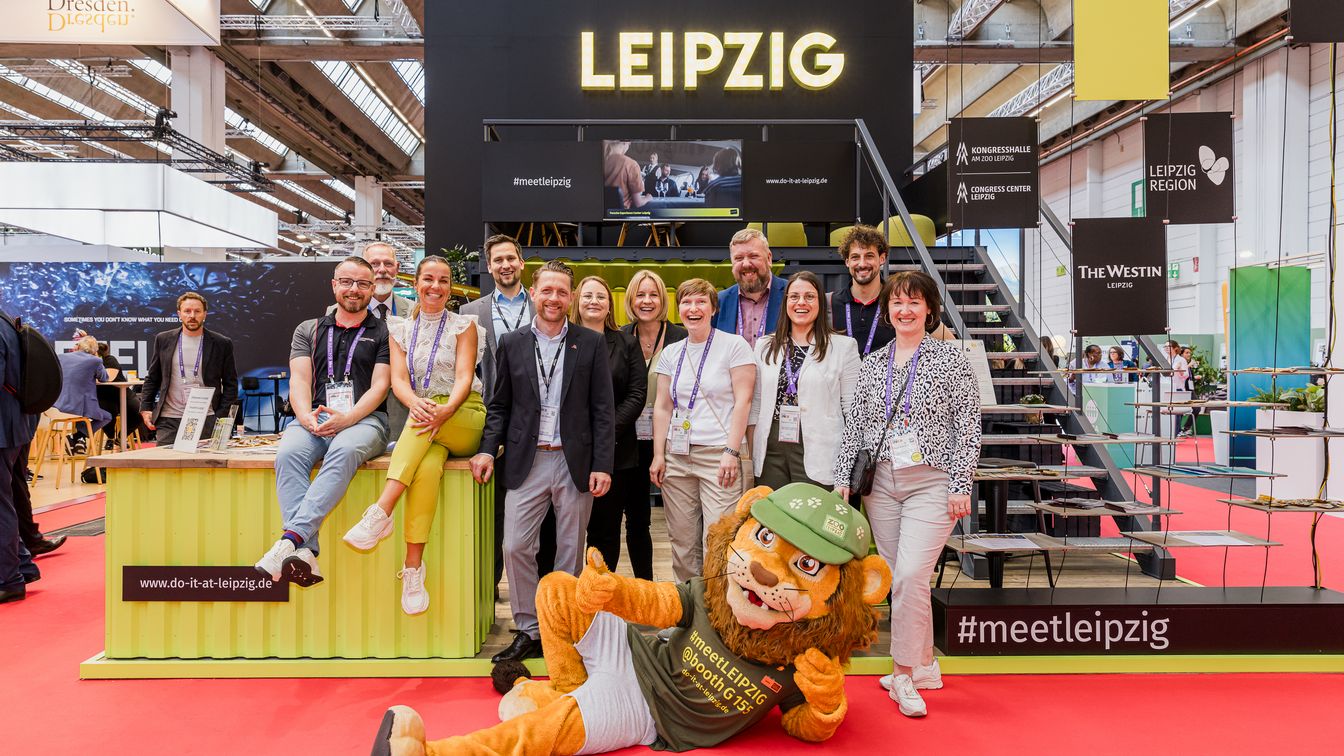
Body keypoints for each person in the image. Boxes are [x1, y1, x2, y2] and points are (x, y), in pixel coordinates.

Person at [833, 271, 981, 718]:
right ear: (888, 310)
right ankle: (926, 666)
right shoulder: (873, 363)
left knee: (913, 575)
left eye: (914, 302)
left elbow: (968, 426)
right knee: (905, 579)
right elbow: (855, 428)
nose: (905, 310)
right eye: (897, 303)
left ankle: (900, 675)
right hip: (882, 485)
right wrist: (844, 480)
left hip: (932, 483)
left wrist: (960, 484)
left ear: (929, 309)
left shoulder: (952, 360)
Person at [470, 260, 615, 663]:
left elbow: (602, 409)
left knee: (569, 550)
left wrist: (602, 463)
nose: (554, 298)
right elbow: (499, 406)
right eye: (547, 290)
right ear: (533, 293)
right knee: (515, 545)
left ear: (571, 298)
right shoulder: (513, 342)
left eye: (562, 292)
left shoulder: (589, 343)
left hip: (574, 462)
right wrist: (486, 448)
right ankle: (528, 629)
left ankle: (562, 629)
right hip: (526, 460)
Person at [342, 256, 487, 614]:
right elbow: (399, 382)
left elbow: (465, 377)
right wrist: (418, 405)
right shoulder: (400, 329)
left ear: (450, 287)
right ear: (417, 283)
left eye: (442, 280)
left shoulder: (465, 325)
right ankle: (412, 569)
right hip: (426, 424)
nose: (435, 287)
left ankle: (382, 509)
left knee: (422, 422)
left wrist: (445, 409)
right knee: (425, 470)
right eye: (428, 279)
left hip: (464, 414)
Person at [253, 257, 392, 588]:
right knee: (287, 455)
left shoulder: (385, 331)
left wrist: (348, 417)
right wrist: (304, 417)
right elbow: (299, 379)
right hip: (313, 418)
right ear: (334, 285)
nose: (353, 289)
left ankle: (289, 540)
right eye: (346, 282)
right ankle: (305, 551)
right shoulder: (308, 329)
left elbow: (380, 386)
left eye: (362, 284)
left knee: (342, 452)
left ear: (372, 289)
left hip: (366, 420)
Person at [650, 278, 756, 583]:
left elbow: (743, 401)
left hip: (718, 455)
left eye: (700, 302)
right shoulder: (672, 352)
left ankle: (717, 616)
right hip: (678, 455)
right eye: (686, 302)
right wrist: (659, 455)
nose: (693, 308)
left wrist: (731, 451)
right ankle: (689, 612)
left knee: (718, 540)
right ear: (678, 308)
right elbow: (663, 406)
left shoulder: (734, 346)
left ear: (712, 308)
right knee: (682, 542)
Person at [459, 234, 535, 592]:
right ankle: (488, 590)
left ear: (521, 262)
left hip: (537, 420)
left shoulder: (542, 305)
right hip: (491, 418)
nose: (505, 265)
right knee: (492, 512)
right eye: (497, 260)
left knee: (535, 508)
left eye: (510, 258)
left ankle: (538, 591)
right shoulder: (469, 313)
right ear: (489, 268)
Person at [751, 272, 861, 490]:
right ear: (786, 303)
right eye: (794, 297)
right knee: (773, 519)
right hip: (771, 447)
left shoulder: (843, 347)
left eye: (809, 296)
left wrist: (845, 468)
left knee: (811, 518)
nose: (801, 302)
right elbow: (756, 404)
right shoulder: (764, 345)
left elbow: (853, 412)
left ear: (820, 302)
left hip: (819, 446)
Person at [570, 276, 648, 578]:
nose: (594, 301)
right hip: (571, 451)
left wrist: (604, 430)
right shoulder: (564, 341)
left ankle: (600, 593)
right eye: (587, 295)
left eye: (601, 296)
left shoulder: (627, 343)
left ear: (609, 305)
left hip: (616, 453)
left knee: (606, 531)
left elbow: (637, 393)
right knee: (570, 531)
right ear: (577, 300)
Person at [620, 269, 686, 578]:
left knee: (682, 520)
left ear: (663, 299)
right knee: (637, 518)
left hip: (672, 439)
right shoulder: (620, 337)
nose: (647, 301)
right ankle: (644, 587)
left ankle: (684, 589)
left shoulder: (681, 337)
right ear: (630, 299)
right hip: (630, 440)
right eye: (640, 295)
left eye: (653, 294)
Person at [139, 292, 239, 446]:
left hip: (206, 417)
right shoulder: (163, 339)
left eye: (197, 311)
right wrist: (146, 407)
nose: (192, 316)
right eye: (187, 311)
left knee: (204, 466)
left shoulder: (221, 343)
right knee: (166, 465)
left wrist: (220, 415)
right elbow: (153, 377)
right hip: (169, 418)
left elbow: (230, 383)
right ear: (179, 314)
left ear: (205, 314)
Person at [1, 312, 40, 603]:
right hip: (12, 426)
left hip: (3, 428)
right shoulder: (6, 321)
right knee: (6, 500)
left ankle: (9, 579)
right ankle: (22, 566)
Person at [361, 241, 414, 440]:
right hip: (360, 408)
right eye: (374, 264)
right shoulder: (337, 312)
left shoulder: (414, 311)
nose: (382, 270)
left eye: (388, 264)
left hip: (403, 413)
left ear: (397, 268)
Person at [712, 227, 789, 349]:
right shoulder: (719, 301)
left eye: (753, 256)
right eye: (739, 258)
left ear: (769, 258)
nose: (746, 264)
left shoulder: (791, 295)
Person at [828, 225, 895, 358]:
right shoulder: (829, 302)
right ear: (847, 262)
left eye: (869, 256)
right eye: (855, 257)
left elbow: (946, 338)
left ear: (882, 258)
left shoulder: (897, 300)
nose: (862, 264)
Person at [55, 336, 110, 449]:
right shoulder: (95, 360)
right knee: (107, 417)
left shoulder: (61, 357)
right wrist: (96, 357)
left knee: (83, 418)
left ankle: (78, 440)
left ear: (78, 346)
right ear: (95, 350)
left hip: (57, 406)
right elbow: (104, 378)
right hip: (79, 407)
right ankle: (77, 436)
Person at [95, 342, 142, 445]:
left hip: (122, 392)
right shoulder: (88, 364)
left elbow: (108, 379)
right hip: (104, 395)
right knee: (108, 412)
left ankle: (121, 437)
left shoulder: (110, 360)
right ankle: (110, 437)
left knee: (139, 412)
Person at [603, 141, 651, 210]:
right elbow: (638, 203)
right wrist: (648, 198)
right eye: (629, 144)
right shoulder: (631, 164)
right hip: (621, 216)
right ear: (625, 143)